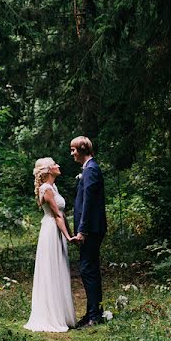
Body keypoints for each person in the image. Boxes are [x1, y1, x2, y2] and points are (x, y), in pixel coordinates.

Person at [23, 157, 77, 332]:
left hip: (56, 230)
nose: (58, 165)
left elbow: (62, 213)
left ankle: (60, 313)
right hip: (51, 231)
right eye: (54, 164)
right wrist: (69, 237)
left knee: (58, 267)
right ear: (47, 170)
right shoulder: (46, 188)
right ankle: (50, 315)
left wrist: (69, 234)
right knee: (51, 269)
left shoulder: (53, 187)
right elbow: (57, 216)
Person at [70, 136, 106, 327]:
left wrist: (82, 231)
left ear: (83, 149)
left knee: (87, 270)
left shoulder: (91, 170)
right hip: (90, 229)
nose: (72, 153)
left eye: (74, 149)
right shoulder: (89, 169)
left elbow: (89, 204)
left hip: (91, 229)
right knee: (89, 269)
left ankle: (94, 316)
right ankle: (94, 312)